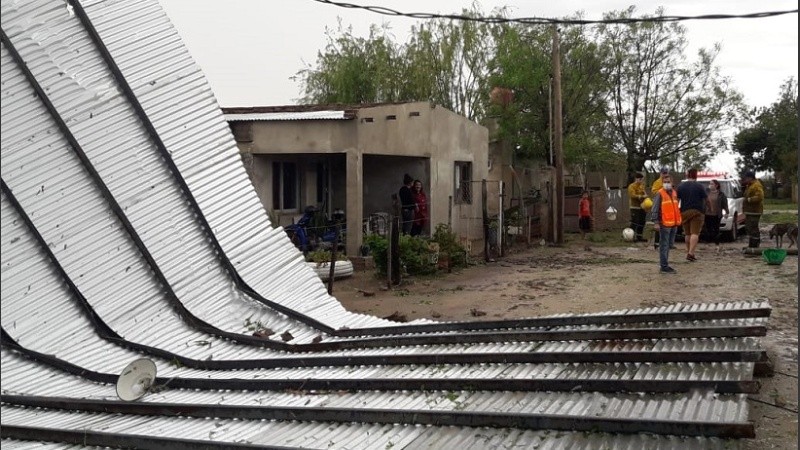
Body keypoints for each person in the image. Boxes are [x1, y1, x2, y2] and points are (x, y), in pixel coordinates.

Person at [676, 168, 710, 262]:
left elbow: (677, 200)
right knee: (695, 233)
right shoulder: (699, 186)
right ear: (695, 175)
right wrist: (709, 208)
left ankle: (689, 252)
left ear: (687, 175)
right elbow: (706, 199)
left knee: (687, 234)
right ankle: (691, 253)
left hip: (684, 211)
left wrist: (677, 211)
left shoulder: (681, 186)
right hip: (697, 211)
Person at [651, 174, 681, 274]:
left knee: (669, 245)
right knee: (664, 245)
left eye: (668, 182)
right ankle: (664, 266)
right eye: (665, 182)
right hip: (664, 223)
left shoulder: (674, 193)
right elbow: (655, 208)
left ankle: (665, 264)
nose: (666, 184)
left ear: (672, 183)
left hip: (673, 223)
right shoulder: (660, 193)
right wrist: (656, 222)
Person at [650, 167, 676, 250]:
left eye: (666, 173)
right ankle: (657, 244)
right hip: (660, 204)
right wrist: (662, 190)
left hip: (668, 209)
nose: (665, 174)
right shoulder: (657, 182)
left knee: (669, 229)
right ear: (660, 173)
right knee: (660, 227)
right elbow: (654, 191)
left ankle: (669, 244)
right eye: (664, 173)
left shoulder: (669, 181)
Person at [704, 179, 729, 251]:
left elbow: (724, 204)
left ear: (716, 185)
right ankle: (707, 244)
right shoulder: (707, 192)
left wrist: (726, 212)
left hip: (716, 214)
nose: (710, 185)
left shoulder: (721, 194)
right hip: (707, 214)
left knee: (716, 230)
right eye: (710, 183)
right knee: (708, 229)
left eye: (712, 184)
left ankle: (717, 244)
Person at [741, 170, 765, 248]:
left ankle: (755, 245)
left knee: (753, 228)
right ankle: (751, 245)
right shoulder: (750, 185)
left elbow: (760, 197)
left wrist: (749, 199)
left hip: (755, 211)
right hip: (749, 211)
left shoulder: (756, 185)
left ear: (750, 178)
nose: (745, 180)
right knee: (749, 228)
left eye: (746, 178)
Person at [627, 172, 647, 242]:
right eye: (640, 179)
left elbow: (644, 193)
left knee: (642, 222)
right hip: (634, 207)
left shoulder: (642, 186)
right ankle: (630, 237)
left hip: (642, 206)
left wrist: (645, 196)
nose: (641, 181)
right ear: (636, 179)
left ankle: (639, 237)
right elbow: (632, 195)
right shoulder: (631, 186)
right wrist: (640, 196)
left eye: (642, 179)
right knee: (635, 222)